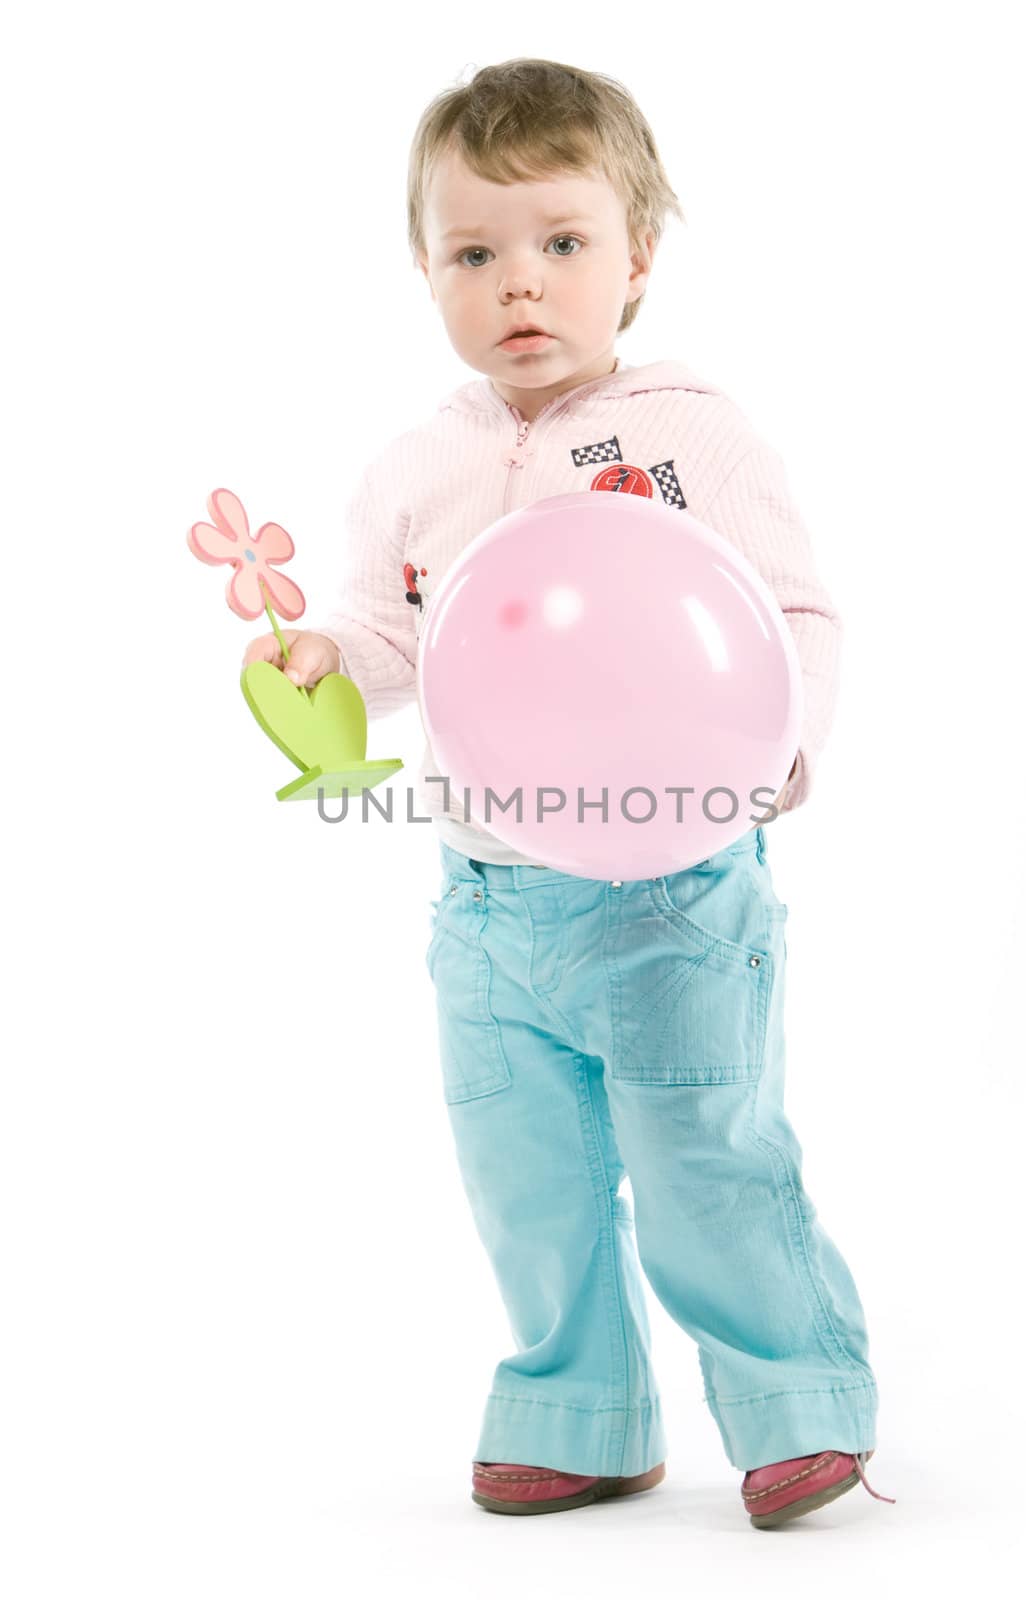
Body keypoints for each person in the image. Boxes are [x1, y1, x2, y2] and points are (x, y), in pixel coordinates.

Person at [242, 57, 895, 1529]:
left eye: (561, 244)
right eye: (475, 254)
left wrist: (777, 747)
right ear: (427, 274)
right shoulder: (421, 464)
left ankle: (801, 1403)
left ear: (637, 259)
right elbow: (401, 633)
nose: (517, 285)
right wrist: (322, 657)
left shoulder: (692, 436)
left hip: (670, 887)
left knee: (705, 1157)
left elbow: (794, 615)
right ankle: (580, 1410)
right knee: (526, 1177)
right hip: (488, 899)